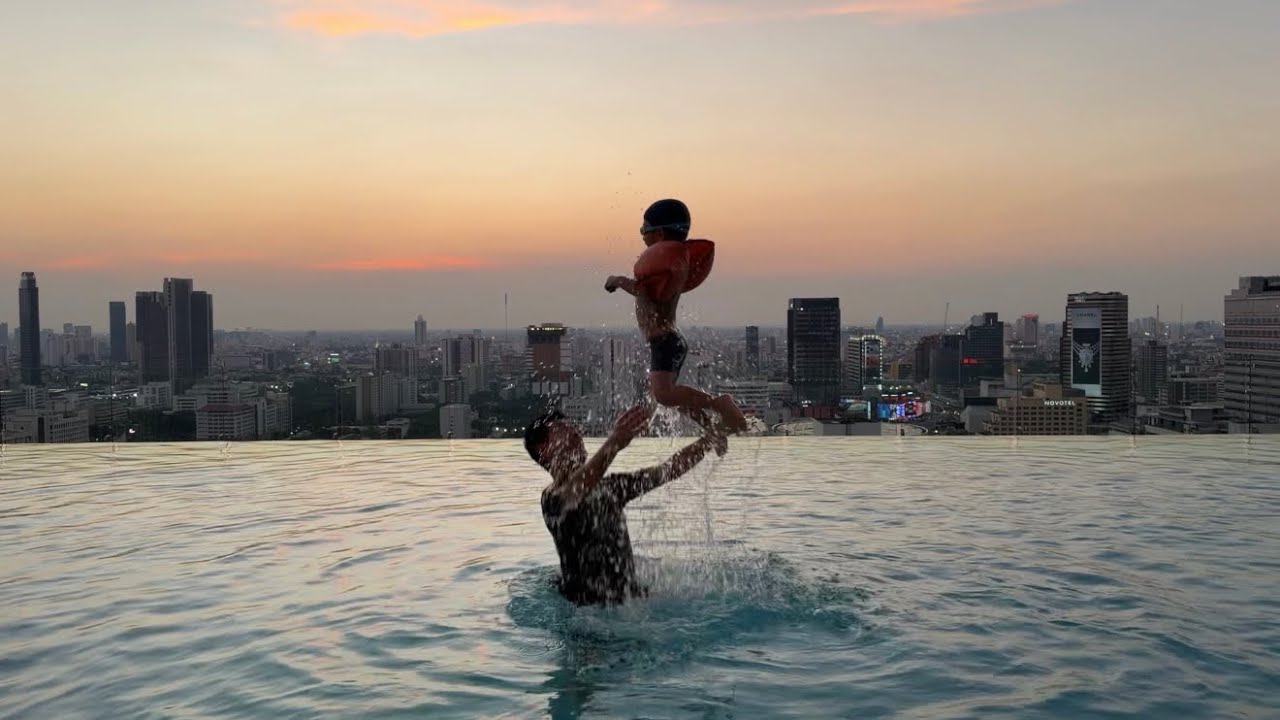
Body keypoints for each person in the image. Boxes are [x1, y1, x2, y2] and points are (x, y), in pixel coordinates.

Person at [524, 404, 727, 606]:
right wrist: (615, 441)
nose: (575, 432)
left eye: (573, 428)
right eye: (563, 429)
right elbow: (574, 492)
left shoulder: (612, 488)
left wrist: (709, 440)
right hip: (588, 612)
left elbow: (668, 469)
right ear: (544, 449)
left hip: (628, 601)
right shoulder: (551, 499)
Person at [605, 198, 749, 433]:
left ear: (659, 234)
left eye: (644, 230)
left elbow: (649, 296)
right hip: (668, 339)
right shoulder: (671, 264)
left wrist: (618, 281)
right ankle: (711, 429)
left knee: (664, 395)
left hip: (665, 341)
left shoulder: (668, 267)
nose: (642, 236)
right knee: (673, 395)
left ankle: (719, 403)